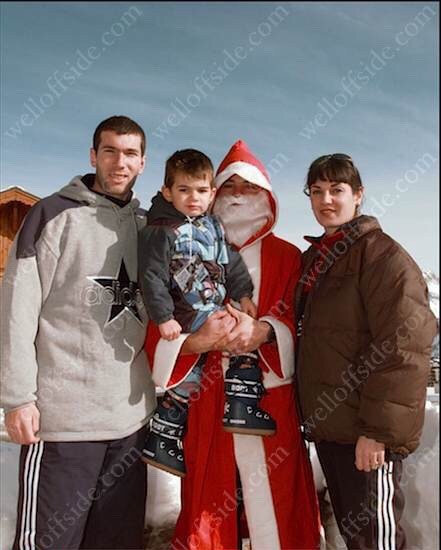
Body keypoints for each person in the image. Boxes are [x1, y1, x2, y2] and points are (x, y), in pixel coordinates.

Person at [144, 140, 320, 549]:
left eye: (249, 187)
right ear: (214, 194)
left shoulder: (288, 256)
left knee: (276, 503)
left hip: (270, 399)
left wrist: (266, 331)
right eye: (230, 187)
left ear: (267, 197)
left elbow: (302, 323)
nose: (239, 195)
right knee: (208, 503)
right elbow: (157, 317)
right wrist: (195, 342)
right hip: (208, 396)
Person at [0, 116, 157, 550]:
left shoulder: (148, 226)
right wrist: (17, 398)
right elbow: (16, 310)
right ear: (93, 156)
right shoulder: (52, 215)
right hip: (64, 422)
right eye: (109, 151)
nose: (119, 162)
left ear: (143, 162)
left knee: (117, 541)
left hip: (129, 420)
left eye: (129, 154)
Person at [295, 153, 437, 550]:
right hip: (332, 429)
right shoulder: (316, 260)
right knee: (356, 536)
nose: (327, 200)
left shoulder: (382, 257)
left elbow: (404, 346)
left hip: (366, 432)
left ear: (358, 195)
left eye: (337, 190)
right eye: (317, 191)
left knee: (378, 540)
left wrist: (376, 432)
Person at [138, 148, 276, 478]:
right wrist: (164, 317)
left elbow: (232, 263)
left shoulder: (211, 227)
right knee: (238, 333)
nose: (193, 198)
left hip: (208, 302)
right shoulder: (161, 230)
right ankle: (241, 403)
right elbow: (152, 277)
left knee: (194, 376)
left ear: (211, 193)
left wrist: (243, 293)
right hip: (186, 310)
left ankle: (164, 433)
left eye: (201, 191)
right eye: (184, 190)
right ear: (167, 192)